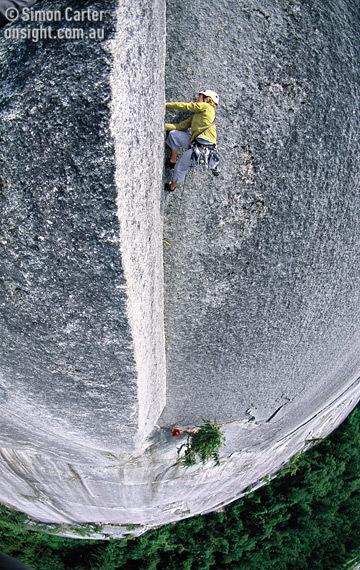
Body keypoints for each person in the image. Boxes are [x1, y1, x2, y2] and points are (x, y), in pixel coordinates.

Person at [164, 90, 219, 192]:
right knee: (173, 135)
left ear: (207, 99)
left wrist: (165, 105)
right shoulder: (197, 115)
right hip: (196, 144)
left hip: (200, 149)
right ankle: (173, 159)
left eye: (200, 95)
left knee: (180, 168)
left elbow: (187, 106)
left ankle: (172, 186)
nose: (196, 97)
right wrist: (162, 126)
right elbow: (181, 126)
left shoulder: (207, 107)